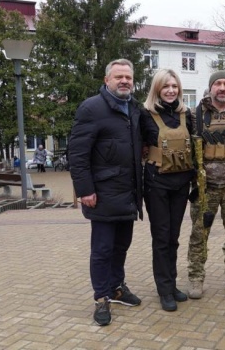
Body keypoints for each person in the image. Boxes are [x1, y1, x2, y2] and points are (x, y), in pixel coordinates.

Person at [68, 58, 144, 326]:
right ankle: (101, 298)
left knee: (122, 246)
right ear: (107, 80)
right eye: (118, 77)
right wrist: (85, 190)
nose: (124, 81)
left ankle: (116, 287)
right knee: (102, 249)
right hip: (102, 193)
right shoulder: (92, 108)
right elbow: (77, 154)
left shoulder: (133, 108)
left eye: (128, 77)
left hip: (128, 193)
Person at [187, 71, 225, 299]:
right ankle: (196, 278)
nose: (222, 88)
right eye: (217, 84)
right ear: (211, 87)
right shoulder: (195, 116)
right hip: (206, 190)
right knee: (198, 235)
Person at [141, 69, 195, 312]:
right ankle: (164, 289)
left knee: (173, 237)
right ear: (157, 90)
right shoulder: (146, 115)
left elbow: (194, 149)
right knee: (161, 238)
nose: (171, 90)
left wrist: (195, 182)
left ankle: (171, 284)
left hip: (181, 184)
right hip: (156, 184)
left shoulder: (186, 115)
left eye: (174, 86)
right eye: (165, 87)